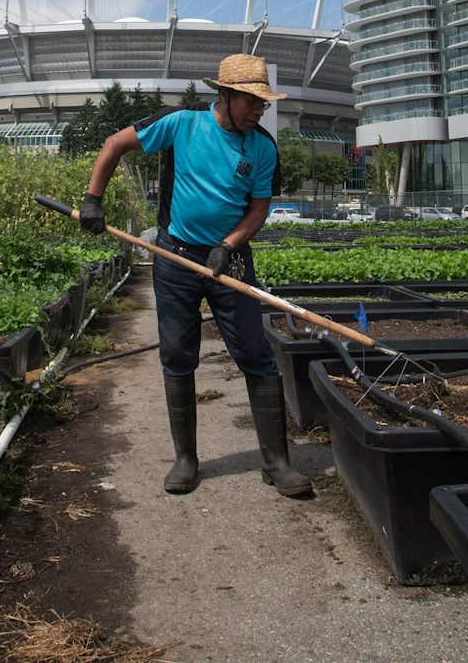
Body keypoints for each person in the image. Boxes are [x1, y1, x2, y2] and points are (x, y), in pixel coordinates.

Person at [79, 53, 314, 499]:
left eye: (263, 103)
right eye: (252, 102)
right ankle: (186, 458)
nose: (259, 111)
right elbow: (113, 144)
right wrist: (93, 198)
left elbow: (259, 207)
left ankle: (276, 462)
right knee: (178, 354)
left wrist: (228, 245)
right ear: (224, 95)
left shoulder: (262, 146)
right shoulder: (181, 124)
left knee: (256, 356)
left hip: (230, 261)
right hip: (175, 259)